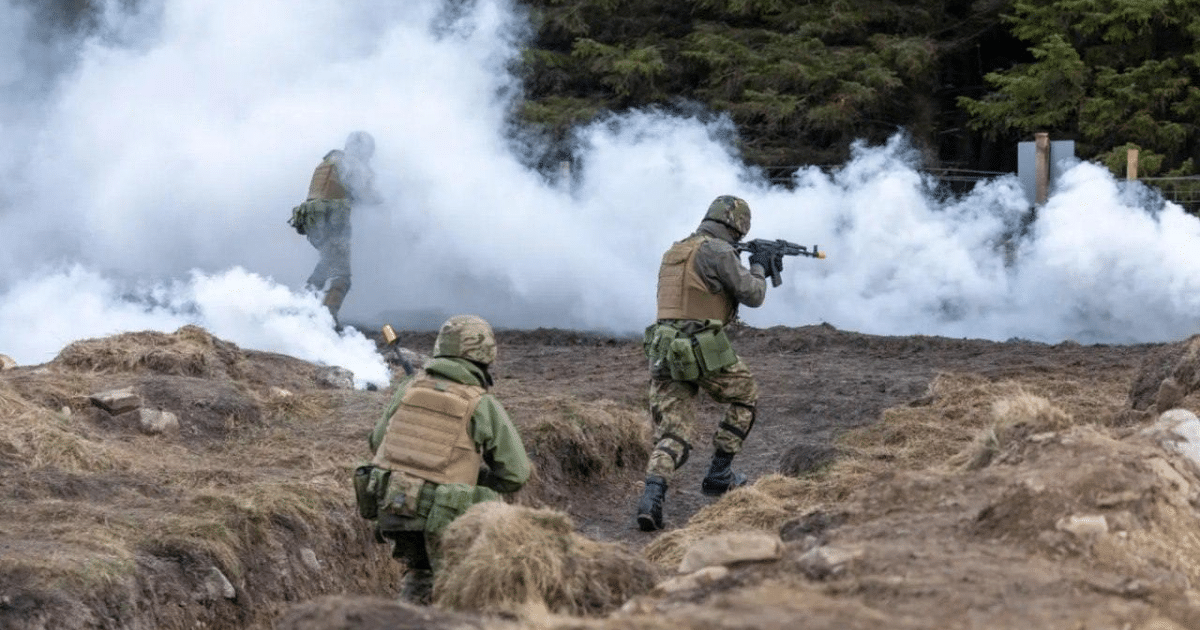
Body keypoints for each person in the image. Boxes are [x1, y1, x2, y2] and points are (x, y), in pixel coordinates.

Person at [355, 314, 532, 604]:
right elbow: (515, 474)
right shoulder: (481, 403)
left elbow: (377, 441)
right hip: (445, 512)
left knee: (420, 572)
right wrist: (476, 476)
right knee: (457, 584)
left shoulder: (409, 388)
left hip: (395, 504)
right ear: (484, 355)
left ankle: (406, 621)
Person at [635, 195, 770, 532]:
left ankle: (651, 499)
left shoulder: (676, 251)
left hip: (665, 350)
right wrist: (760, 267)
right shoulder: (718, 251)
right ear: (737, 224)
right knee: (745, 395)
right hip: (702, 346)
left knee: (674, 432)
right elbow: (752, 295)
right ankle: (719, 474)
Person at [289, 131, 381, 330]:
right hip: (333, 220)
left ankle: (302, 308)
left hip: (312, 219)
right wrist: (384, 199)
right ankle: (327, 321)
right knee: (342, 277)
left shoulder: (330, 160)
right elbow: (363, 193)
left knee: (325, 265)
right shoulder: (351, 163)